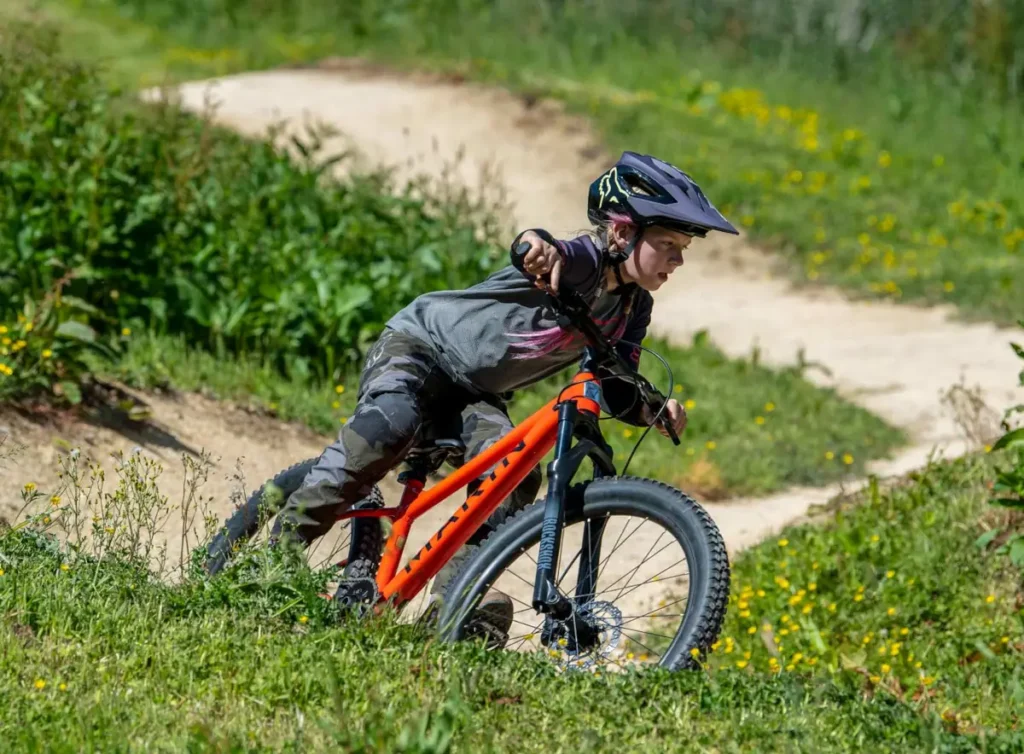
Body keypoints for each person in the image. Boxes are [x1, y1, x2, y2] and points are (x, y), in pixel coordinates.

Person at [270, 151, 738, 640]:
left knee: (514, 475)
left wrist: (651, 408)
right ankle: (267, 566)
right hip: (419, 349)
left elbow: (615, 384)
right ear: (622, 233)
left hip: (474, 393)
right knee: (389, 425)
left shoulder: (632, 308)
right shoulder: (583, 262)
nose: (679, 259)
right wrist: (538, 249)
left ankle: (456, 599)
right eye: (668, 244)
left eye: (683, 247)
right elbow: (537, 245)